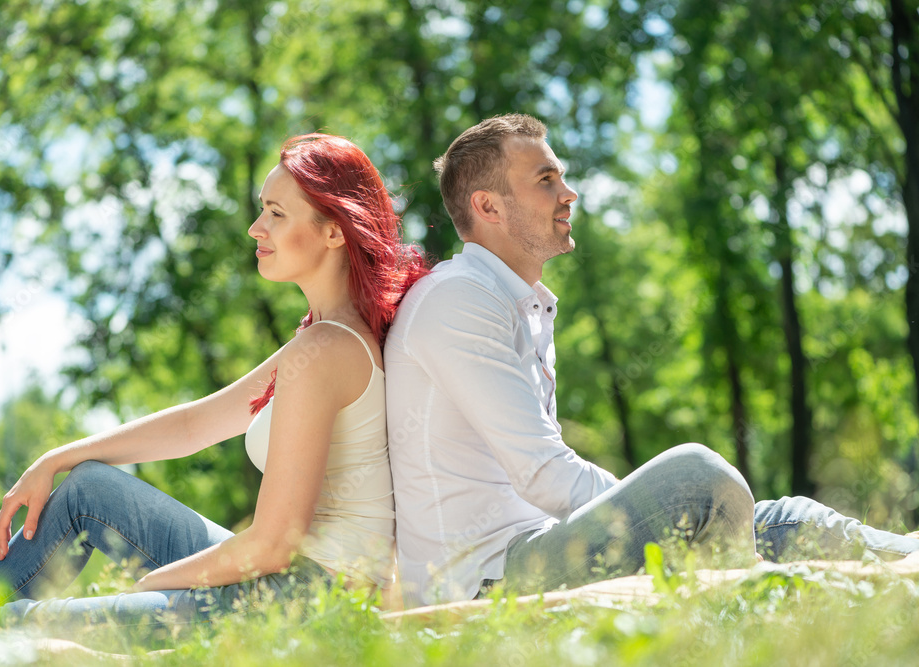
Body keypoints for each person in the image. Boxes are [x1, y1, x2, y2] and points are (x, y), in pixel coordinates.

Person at [384, 113, 919, 608]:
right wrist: (661, 508)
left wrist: (658, 512)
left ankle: (905, 560)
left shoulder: (521, 305)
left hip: (541, 545)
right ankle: (737, 601)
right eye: (546, 180)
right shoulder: (459, 299)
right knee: (697, 476)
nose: (568, 194)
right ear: (489, 207)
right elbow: (545, 475)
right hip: (483, 582)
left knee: (787, 519)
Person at [0, 133, 428, 641]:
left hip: (309, 601)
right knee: (88, 485)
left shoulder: (329, 351)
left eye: (275, 213)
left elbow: (271, 546)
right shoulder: (323, 339)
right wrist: (57, 458)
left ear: (334, 232)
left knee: (3, 628)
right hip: (292, 582)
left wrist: (153, 586)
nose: (255, 228)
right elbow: (194, 424)